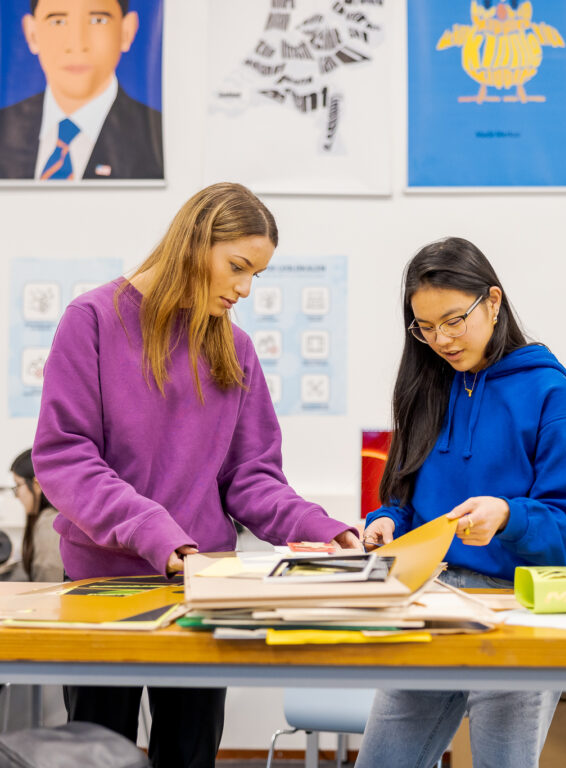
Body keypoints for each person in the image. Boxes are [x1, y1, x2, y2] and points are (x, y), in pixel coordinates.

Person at [32, 182, 361, 768]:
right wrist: (157, 533)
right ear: (195, 242)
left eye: (256, 274)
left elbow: (251, 477)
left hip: (203, 589)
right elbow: (66, 458)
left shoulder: (234, 346)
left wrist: (324, 530)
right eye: (237, 267)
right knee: (97, 754)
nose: (245, 289)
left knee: (189, 754)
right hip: (104, 587)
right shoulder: (92, 321)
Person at [357, 236, 566, 768]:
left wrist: (508, 516)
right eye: (425, 327)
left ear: (493, 301)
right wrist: (386, 521)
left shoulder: (553, 396)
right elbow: (402, 496)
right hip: (428, 599)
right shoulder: (425, 386)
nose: (441, 339)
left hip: (514, 609)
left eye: (453, 320)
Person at [0, 0, 163, 180]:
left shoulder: (158, 137)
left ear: (127, 30)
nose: (76, 44)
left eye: (97, 20)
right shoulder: (6, 126)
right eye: (58, 22)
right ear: (32, 33)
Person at [9, 448, 64, 582]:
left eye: (18, 485)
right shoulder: (55, 518)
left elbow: (48, 582)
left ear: (36, 485)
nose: (17, 495)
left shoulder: (49, 523)